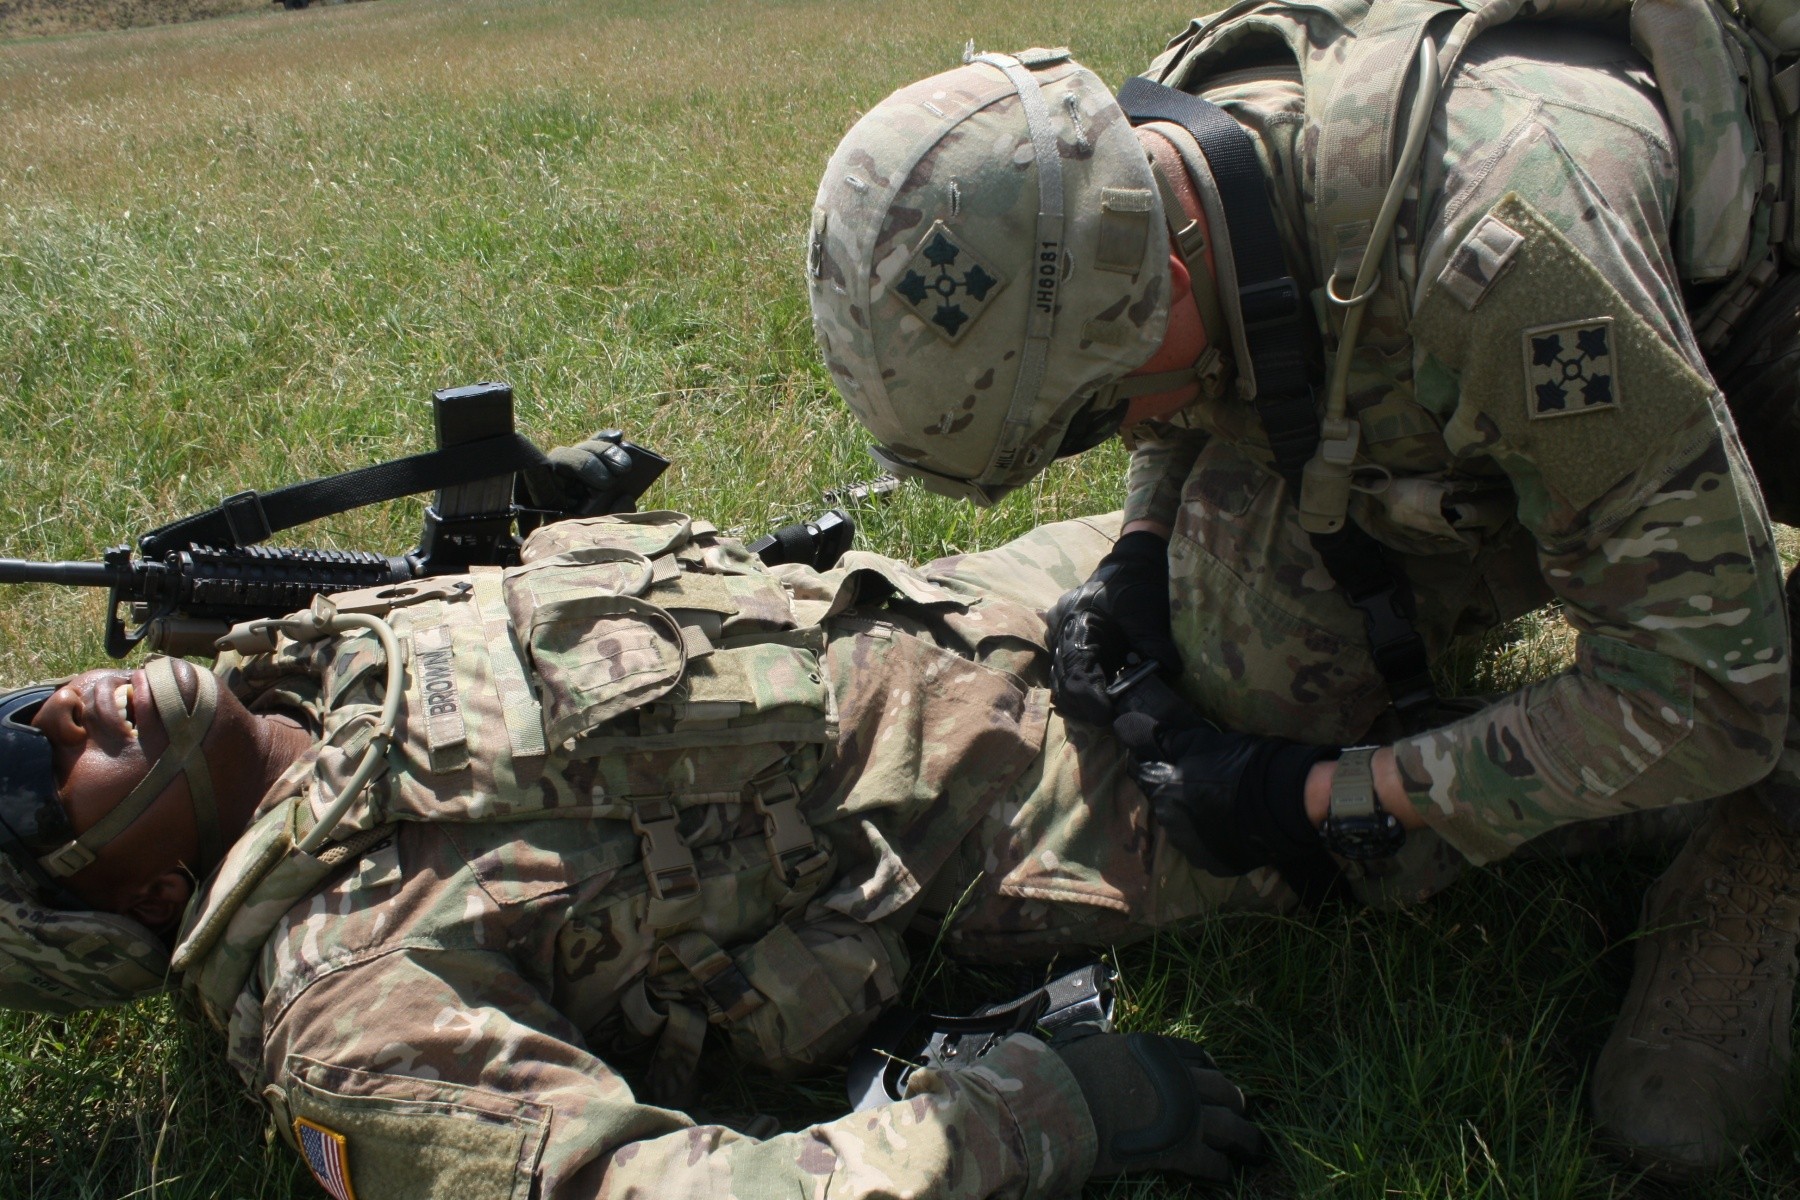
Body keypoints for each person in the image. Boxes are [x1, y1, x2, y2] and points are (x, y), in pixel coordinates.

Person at [806, 2, 1800, 1176]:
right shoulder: (1145, 147)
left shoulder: (1517, 257)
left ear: (1165, 276)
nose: (1116, 433)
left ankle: (1767, 842)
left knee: (1729, 705)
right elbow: (1217, 357)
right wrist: (1139, 543)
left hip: (1745, 309)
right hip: (1541, 322)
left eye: (1094, 420)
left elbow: (1709, 685)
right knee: (1253, 659)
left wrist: (1340, 794)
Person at [0, 506, 1288, 1200]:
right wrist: (1031, 1121)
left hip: (996, 593)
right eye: (34, 789)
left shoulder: (312, 647)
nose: (59, 716)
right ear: (149, 896)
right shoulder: (343, 997)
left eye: (18, 718)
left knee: (1347, 456)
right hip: (1064, 803)